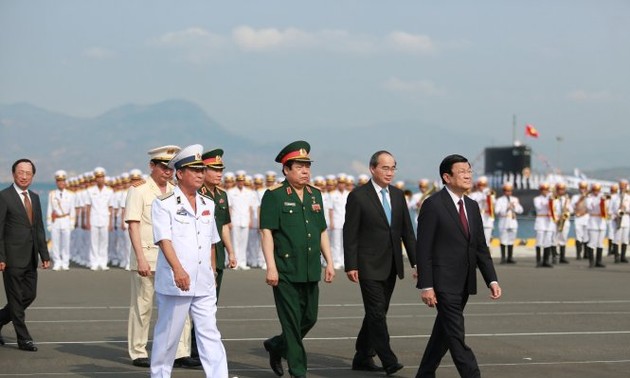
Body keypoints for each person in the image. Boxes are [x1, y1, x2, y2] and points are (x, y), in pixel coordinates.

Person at [416, 154, 501, 378]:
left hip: (464, 281)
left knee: (443, 332)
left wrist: (491, 279)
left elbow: (480, 247)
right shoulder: (433, 205)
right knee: (455, 333)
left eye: (469, 171)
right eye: (462, 171)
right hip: (442, 282)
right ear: (447, 177)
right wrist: (426, 285)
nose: (468, 175)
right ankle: (471, 374)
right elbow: (423, 248)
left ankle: (424, 374)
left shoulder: (472, 206)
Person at [150, 144, 228, 377]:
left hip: (203, 281)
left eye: (201, 170)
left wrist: (213, 271)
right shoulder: (164, 204)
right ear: (180, 173)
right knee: (169, 336)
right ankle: (160, 375)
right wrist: (178, 270)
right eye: (194, 170)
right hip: (177, 281)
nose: (200, 175)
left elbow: (212, 241)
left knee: (210, 334)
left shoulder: (208, 203)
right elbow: (164, 240)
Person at [260, 140, 335, 378]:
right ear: (286, 169)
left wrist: (330, 262)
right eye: (300, 167)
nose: (305, 171)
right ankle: (298, 371)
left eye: (307, 166)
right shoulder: (275, 196)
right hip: (286, 270)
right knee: (291, 323)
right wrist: (271, 267)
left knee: (309, 318)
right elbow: (267, 232)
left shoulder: (315, 195)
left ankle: (276, 345)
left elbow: (322, 230)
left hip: (310, 268)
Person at [343, 150, 417, 375]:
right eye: (385, 168)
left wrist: (417, 263)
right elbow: (350, 233)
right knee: (376, 312)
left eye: (393, 168)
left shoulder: (397, 195)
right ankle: (388, 358)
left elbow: (407, 232)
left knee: (378, 312)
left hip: (392, 264)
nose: (390, 172)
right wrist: (351, 264)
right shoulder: (358, 196)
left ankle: (362, 356)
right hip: (368, 264)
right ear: (372, 168)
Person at [125, 145, 198, 369]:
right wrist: (140, 259)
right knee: (143, 305)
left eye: (170, 168)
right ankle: (138, 351)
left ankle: (181, 351)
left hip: (173, 258)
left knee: (180, 306)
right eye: (163, 167)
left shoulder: (176, 191)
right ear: (152, 166)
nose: (167, 172)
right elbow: (133, 226)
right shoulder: (138, 190)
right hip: (148, 255)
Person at [0, 159, 51, 351]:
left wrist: (44, 254)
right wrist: (1, 257)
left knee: (29, 295)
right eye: (20, 172)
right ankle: (24, 338)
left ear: (32, 176)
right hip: (11, 259)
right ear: (13, 174)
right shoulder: (4, 197)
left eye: (28, 173)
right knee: (15, 299)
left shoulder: (35, 198)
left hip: (30, 257)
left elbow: (38, 228)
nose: (24, 176)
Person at [85, 167, 114, 270]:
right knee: (93, 242)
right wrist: (87, 221)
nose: (100, 179)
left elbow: (111, 207)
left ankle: (103, 262)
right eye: (98, 177)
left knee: (104, 242)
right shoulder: (90, 191)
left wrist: (111, 223)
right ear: (95, 178)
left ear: (104, 178)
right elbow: (88, 207)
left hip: (105, 219)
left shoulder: (109, 191)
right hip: (93, 219)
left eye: (101, 177)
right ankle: (94, 262)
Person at [46, 170, 76, 271]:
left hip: (66, 220)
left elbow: (72, 210)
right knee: (55, 242)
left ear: (65, 182)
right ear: (56, 182)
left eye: (63, 181)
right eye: (59, 181)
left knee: (66, 243)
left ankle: (65, 262)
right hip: (56, 221)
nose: (61, 183)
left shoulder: (71, 194)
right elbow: (50, 209)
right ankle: (57, 262)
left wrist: (72, 223)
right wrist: (49, 223)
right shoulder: (52, 194)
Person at [494, 182, 523, 264]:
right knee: (503, 239)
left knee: (511, 240)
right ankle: (503, 258)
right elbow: (497, 211)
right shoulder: (499, 200)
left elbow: (521, 210)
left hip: (513, 221)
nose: (508, 192)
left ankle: (510, 257)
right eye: (507, 191)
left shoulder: (515, 199)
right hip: (504, 221)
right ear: (504, 191)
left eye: (510, 191)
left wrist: (515, 207)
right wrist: (507, 208)